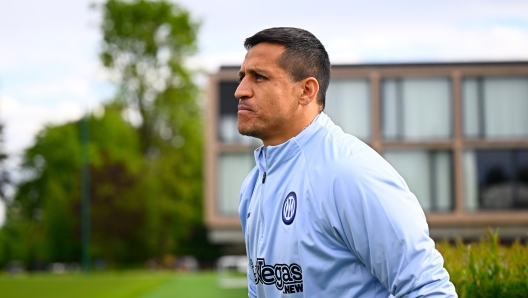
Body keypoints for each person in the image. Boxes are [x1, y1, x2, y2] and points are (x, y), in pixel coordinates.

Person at [235, 27, 457, 297]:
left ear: (306, 90)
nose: (240, 91)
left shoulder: (350, 173)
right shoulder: (253, 185)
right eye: (242, 76)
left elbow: (427, 289)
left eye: (259, 77)